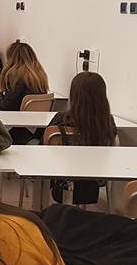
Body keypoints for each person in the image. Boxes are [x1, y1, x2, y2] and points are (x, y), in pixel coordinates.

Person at [47, 72, 117, 205]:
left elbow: (43, 149)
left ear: (73, 95)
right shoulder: (108, 123)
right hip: (94, 181)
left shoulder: (61, 120)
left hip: (62, 180)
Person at [0, 41, 49, 145]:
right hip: (37, 124)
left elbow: (6, 106)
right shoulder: (40, 75)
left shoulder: (15, 75)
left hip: (18, 124)